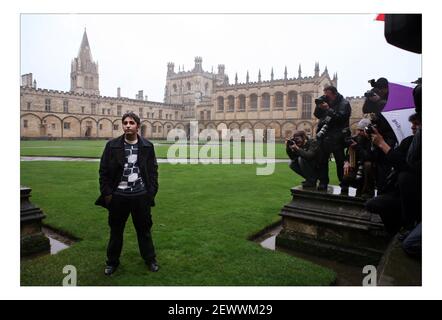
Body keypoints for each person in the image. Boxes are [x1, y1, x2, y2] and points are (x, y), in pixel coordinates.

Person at [95, 112, 159, 275]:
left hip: (140, 196)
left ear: (137, 126)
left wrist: (150, 193)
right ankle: (112, 262)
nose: (128, 125)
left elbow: (152, 171)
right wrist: (108, 194)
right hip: (118, 197)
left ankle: (150, 259)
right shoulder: (112, 146)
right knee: (116, 232)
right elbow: (103, 171)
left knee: (144, 231)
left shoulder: (147, 146)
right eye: (125, 123)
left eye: (131, 122)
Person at [365, 112, 421, 235]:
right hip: (398, 192)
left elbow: (406, 166)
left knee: (405, 177)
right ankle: (395, 232)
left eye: (417, 124)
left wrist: (382, 143)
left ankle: (408, 226)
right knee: (373, 204)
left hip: (417, 193)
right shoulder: (408, 141)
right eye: (412, 124)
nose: (412, 127)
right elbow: (391, 159)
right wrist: (376, 144)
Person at [362, 77, 398, 193]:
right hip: (377, 134)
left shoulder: (393, 98)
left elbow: (391, 113)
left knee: (384, 165)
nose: (379, 92)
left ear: (386, 89)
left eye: (381, 89)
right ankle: (372, 190)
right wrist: (369, 99)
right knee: (373, 164)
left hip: (388, 136)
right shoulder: (378, 98)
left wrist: (379, 101)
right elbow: (365, 109)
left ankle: (383, 191)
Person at [314, 85, 352, 191]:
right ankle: (323, 182)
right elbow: (317, 115)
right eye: (324, 92)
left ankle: (343, 183)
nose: (325, 95)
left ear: (333, 93)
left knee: (340, 162)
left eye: (327, 93)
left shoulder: (344, 103)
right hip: (324, 135)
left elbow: (341, 118)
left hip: (338, 136)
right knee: (322, 160)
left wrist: (328, 109)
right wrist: (319, 106)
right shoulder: (326, 101)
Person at [341, 118, 375, 198]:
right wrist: (346, 161)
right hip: (356, 166)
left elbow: (368, 157)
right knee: (346, 175)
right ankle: (346, 186)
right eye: (358, 130)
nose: (359, 133)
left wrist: (357, 147)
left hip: (368, 169)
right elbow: (348, 152)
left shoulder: (373, 140)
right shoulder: (357, 138)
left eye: (361, 130)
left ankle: (367, 191)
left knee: (368, 164)